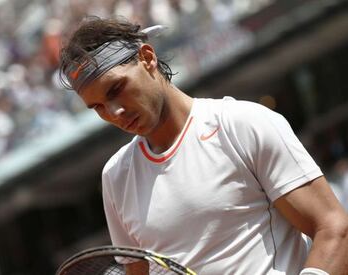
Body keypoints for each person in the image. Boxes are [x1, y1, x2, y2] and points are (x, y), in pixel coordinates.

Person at [59, 16, 348, 275]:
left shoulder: (243, 124)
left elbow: (334, 229)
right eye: (97, 107)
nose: (113, 112)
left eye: (116, 89)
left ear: (147, 58)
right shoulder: (115, 178)